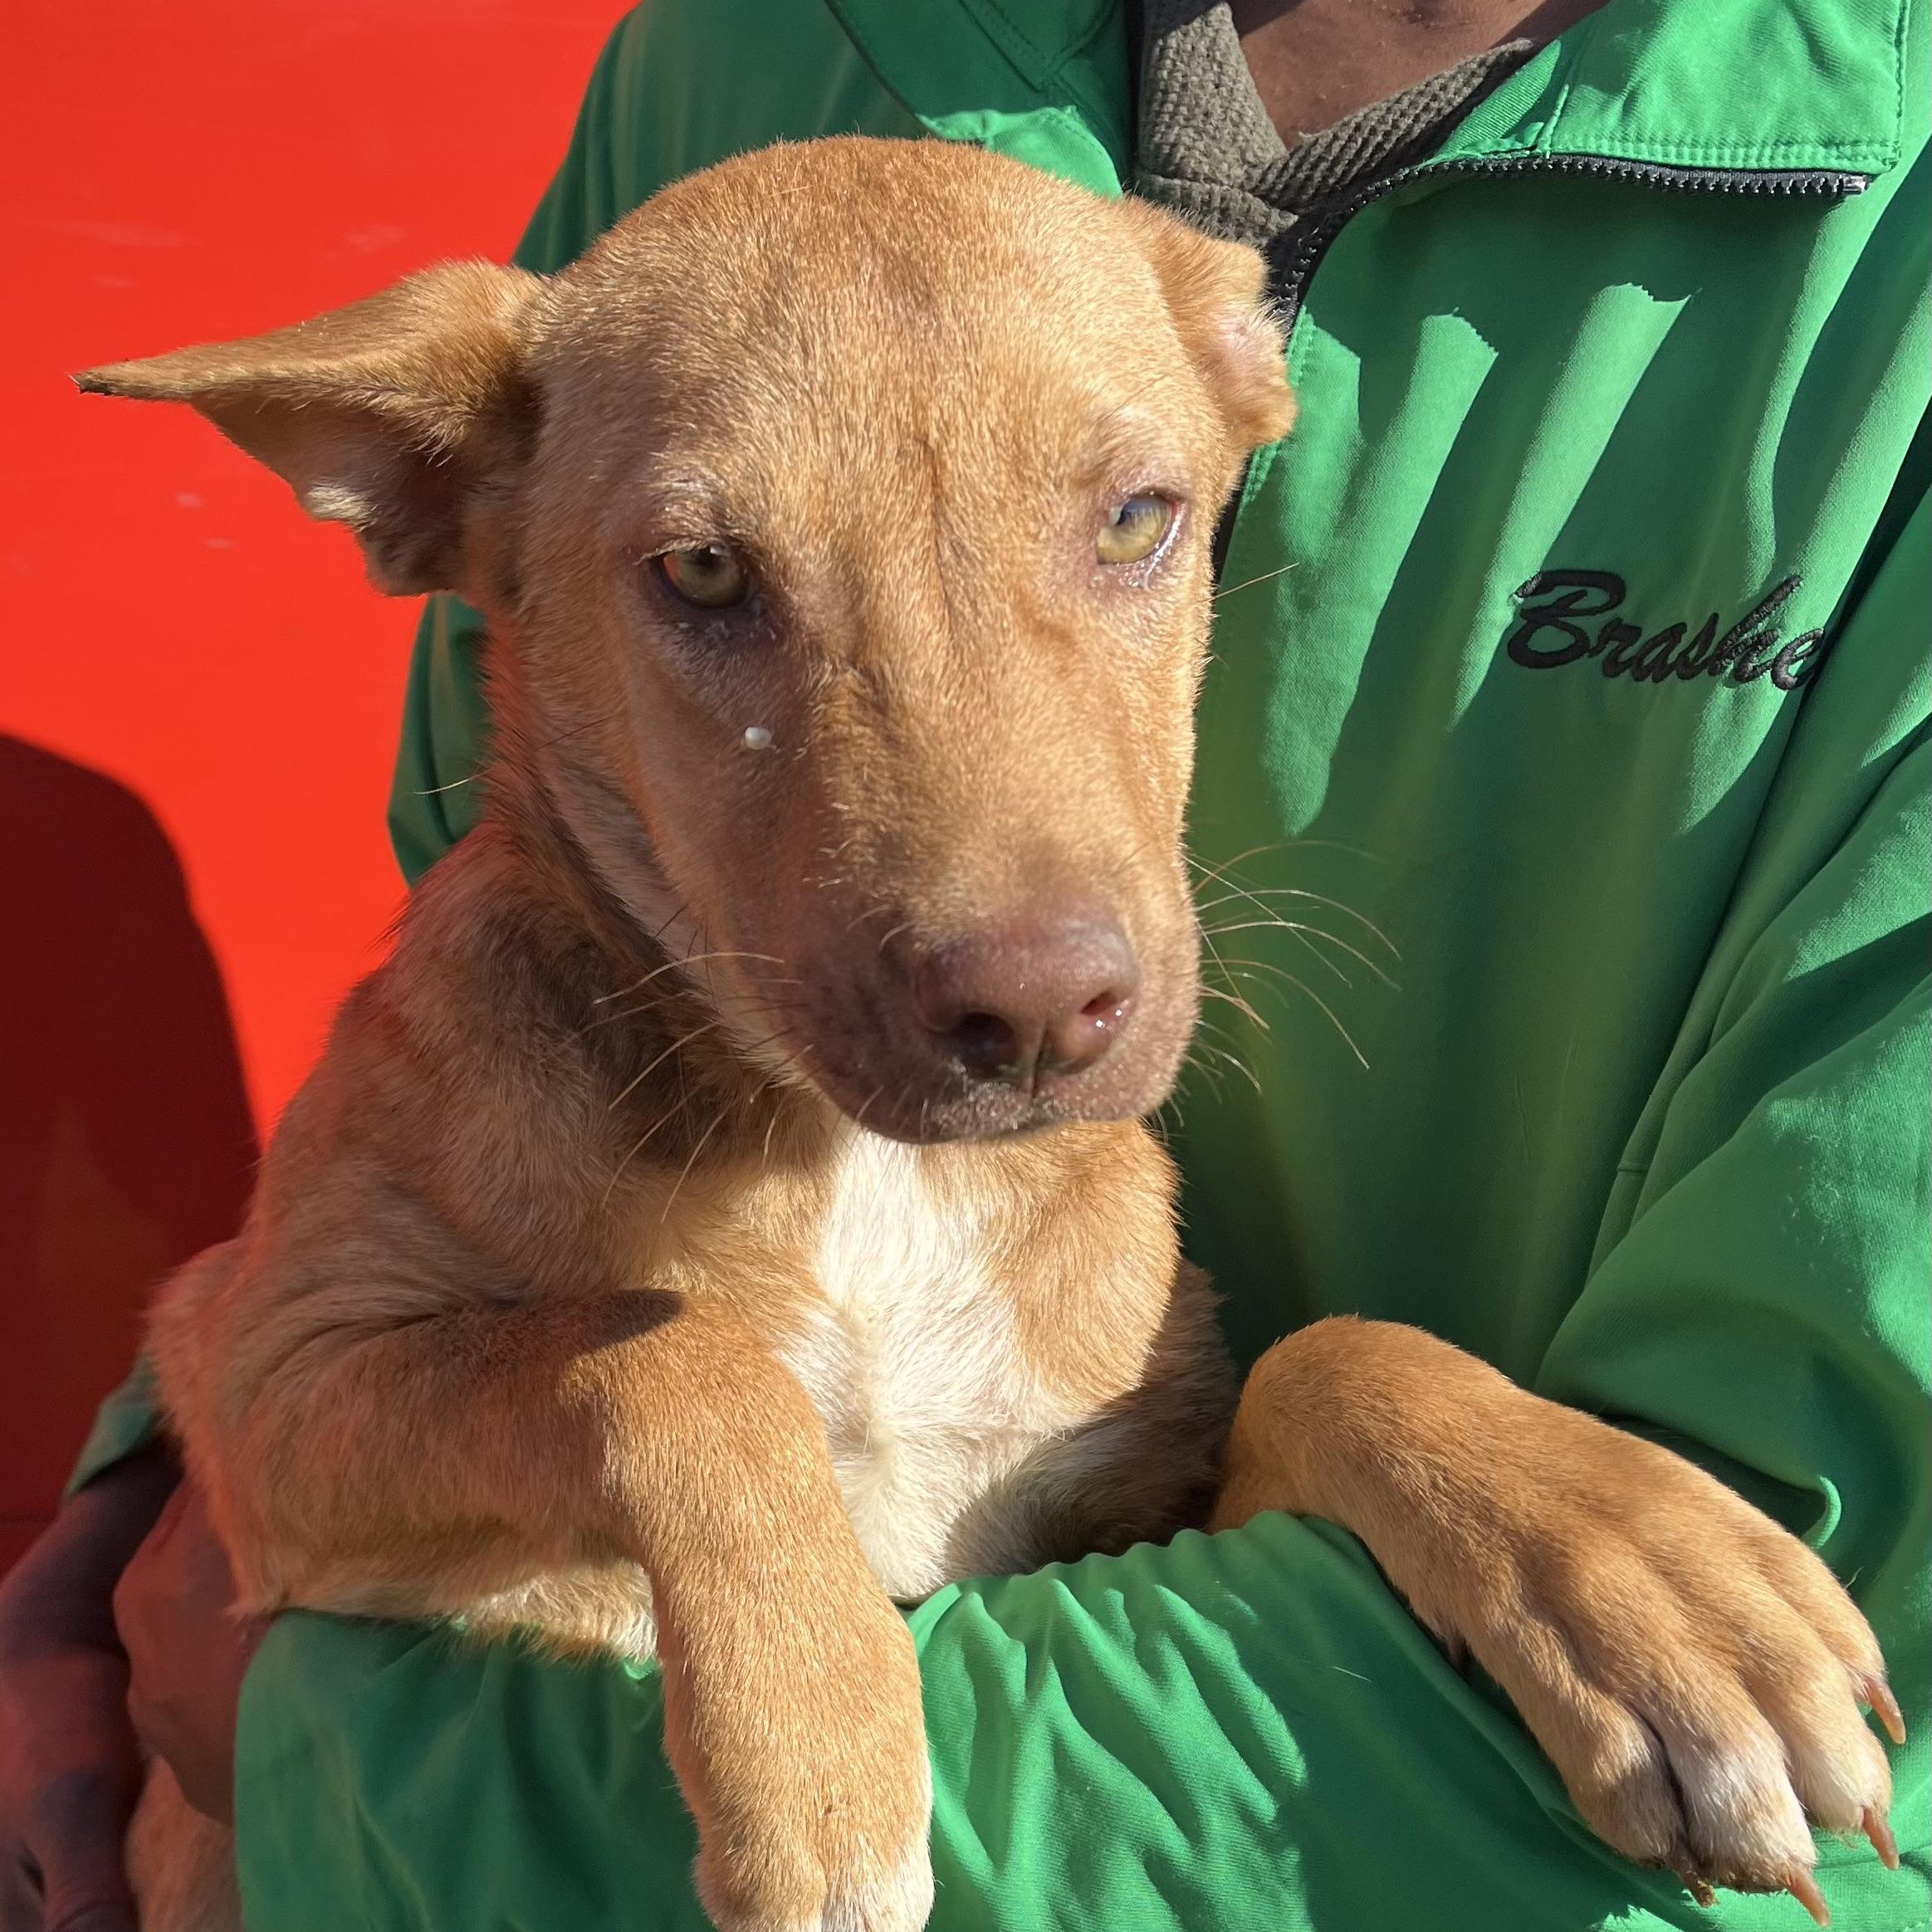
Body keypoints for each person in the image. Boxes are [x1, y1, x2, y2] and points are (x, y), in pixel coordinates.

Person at [2, 0, 1925, 1926]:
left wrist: (386, 1772)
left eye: (1132, 523)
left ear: (1253, 382)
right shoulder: (742, 53)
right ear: (437, 482)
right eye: (708, 579)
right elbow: (412, 1058)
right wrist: (164, 1485)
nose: (1006, 942)